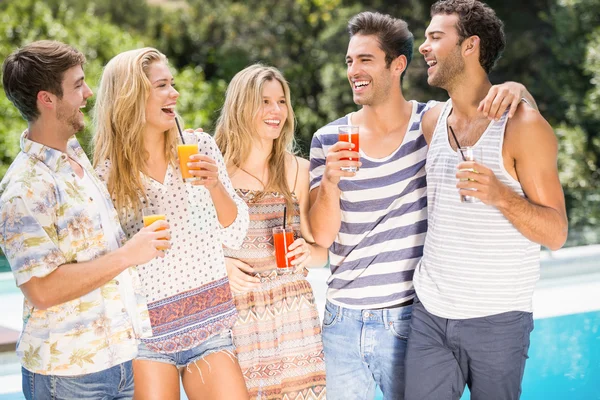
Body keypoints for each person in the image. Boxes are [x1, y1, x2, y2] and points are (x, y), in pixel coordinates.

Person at [308, 11, 535, 400]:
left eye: (365, 59)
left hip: (409, 318)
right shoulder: (328, 138)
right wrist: (329, 182)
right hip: (340, 321)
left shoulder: (431, 124)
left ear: (397, 65)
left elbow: (489, 111)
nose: (353, 71)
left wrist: (517, 88)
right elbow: (322, 236)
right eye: (349, 61)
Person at [405, 1, 568, 399]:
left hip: (498, 322)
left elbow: (557, 233)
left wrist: (501, 197)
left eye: (435, 37)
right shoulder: (432, 122)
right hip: (430, 313)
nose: (423, 47)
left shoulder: (522, 126)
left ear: (469, 46)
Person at [0, 40, 169, 399]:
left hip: (120, 360)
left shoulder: (75, 156)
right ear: (47, 99)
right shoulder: (24, 188)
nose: (89, 93)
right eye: (77, 85)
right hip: (68, 377)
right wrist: (129, 255)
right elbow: (42, 290)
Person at [92, 47, 250, 400]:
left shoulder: (199, 147)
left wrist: (215, 187)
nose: (174, 94)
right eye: (162, 86)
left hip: (210, 325)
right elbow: (106, 265)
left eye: (172, 83)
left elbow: (236, 233)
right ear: (132, 97)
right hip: (146, 337)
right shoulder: (105, 177)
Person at [214, 64, 328, 400]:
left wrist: (310, 252)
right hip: (237, 321)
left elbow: (321, 250)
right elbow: (186, 250)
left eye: (281, 102)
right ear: (241, 106)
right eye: (264, 101)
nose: (276, 111)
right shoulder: (215, 172)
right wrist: (221, 265)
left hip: (296, 321)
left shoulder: (299, 171)